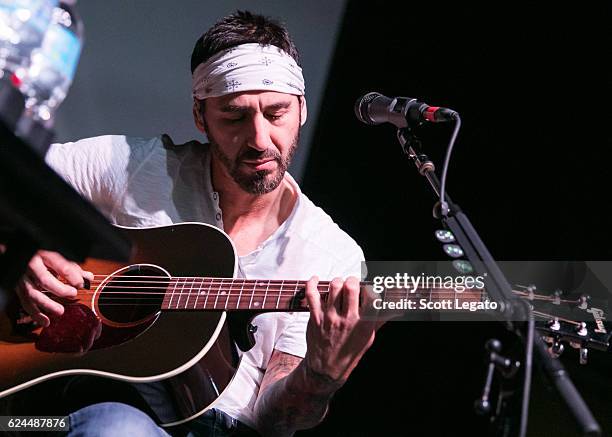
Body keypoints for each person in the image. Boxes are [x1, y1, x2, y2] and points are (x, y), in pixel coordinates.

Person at [15, 10, 382, 437]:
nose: (260, 139)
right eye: (234, 117)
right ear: (199, 116)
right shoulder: (138, 168)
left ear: (301, 109)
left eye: (276, 113)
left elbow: (273, 422)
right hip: (50, 410)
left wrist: (321, 377)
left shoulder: (331, 253)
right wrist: (18, 251)